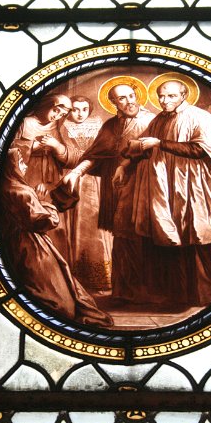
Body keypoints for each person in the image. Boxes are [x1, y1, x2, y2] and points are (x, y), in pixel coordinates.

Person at [119, 79, 211, 307]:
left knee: (204, 233)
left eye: (171, 96)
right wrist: (124, 164)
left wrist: (159, 143)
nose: (164, 100)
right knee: (173, 237)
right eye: (161, 96)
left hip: (195, 185)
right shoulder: (159, 119)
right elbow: (143, 145)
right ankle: (181, 295)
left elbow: (199, 150)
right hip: (166, 187)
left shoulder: (199, 117)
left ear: (184, 96)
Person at [59, 81, 155, 303]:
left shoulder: (151, 120)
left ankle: (148, 292)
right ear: (113, 103)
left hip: (143, 185)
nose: (129, 101)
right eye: (122, 98)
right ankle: (125, 293)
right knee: (122, 236)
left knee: (142, 235)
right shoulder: (111, 125)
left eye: (131, 96)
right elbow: (97, 155)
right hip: (115, 187)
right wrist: (77, 172)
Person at [0, 148, 113, 327]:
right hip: (33, 248)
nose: (24, 166)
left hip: (13, 245)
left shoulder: (5, 188)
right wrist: (45, 203)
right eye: (20, 163)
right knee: (58, 300)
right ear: (12, 167)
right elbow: (44, 221)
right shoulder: (21, 191)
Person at [11, 91, 80, 260]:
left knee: (56, 226)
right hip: (27, 177)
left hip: (52, 181)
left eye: (62, 114)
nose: (57, 116)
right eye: (55, 111)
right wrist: (32, 147)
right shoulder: (24, 122)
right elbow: (8, 152)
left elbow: (74, 158)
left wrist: (56, 146)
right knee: (32, 219)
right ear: (46, 105)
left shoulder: (58, 126)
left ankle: (57, 265)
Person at [61, 95, 113, 292]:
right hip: (70, 179)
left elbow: (104, 152)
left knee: (95, 224)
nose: (80, 114)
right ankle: (75, 277)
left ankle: (101, 277)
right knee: (72, 225)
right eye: (75, 109)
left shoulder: (99, 125)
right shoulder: (62, 127)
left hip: (95, 180)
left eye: (84, 109)